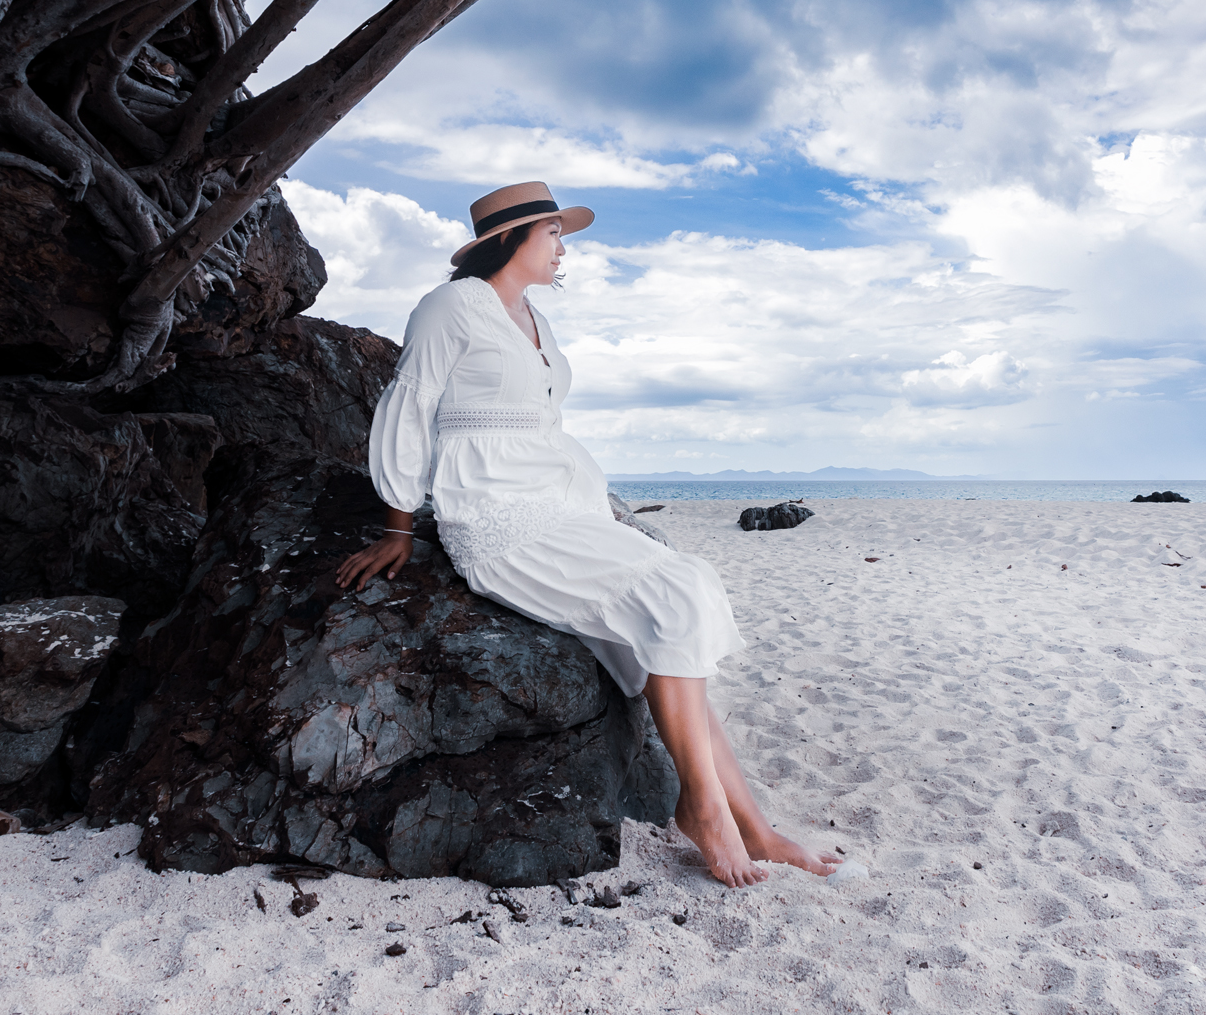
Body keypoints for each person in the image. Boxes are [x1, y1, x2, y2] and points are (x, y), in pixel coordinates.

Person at [334, 181, 835, 888]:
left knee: (682, 592)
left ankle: (754, 825)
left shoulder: (534, 316)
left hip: (565, 504)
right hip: (497, 516)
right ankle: (708, 812)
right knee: (673, 593)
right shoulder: (451, 307)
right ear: (510, 240)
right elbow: (409, 404)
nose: (563, 248)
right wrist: (398, 524)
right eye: (553, 234)